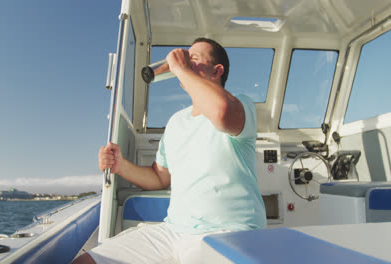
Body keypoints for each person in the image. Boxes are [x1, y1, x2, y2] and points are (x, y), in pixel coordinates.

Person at [73, 38, 266, 264]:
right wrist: (120, 166)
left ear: (217, 71)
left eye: (193, 59)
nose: (183, 63)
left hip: (229, 232)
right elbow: (159, 177)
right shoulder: (176, 122)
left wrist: (181, 69)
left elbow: (221, 112)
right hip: (173, 232)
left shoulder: (240, 104)